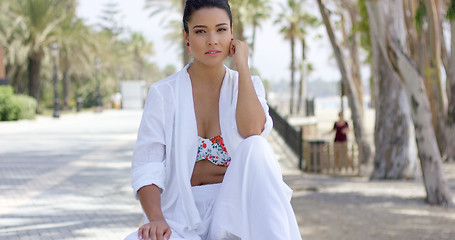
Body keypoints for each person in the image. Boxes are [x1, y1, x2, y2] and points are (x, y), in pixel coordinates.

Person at [124, 0, 301, 239]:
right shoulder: (164, 93)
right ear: (187, 38)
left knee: (257, 146)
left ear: (232, 35)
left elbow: (252, 131)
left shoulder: (247, 85)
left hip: (234, 211)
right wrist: (156, 219)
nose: (212, 40)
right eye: (200, 31)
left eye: (221, 29)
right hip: (180, 214)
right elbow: (147, 165)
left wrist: (243, 67)